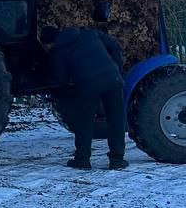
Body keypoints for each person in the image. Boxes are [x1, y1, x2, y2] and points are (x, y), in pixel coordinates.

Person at [41, 25, 128, 170]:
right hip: (113, 80)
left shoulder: (58, 51)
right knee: (116, 119)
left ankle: (82, 160)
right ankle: (117, 159)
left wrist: (65, 91)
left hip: (88, 86)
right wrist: (116, 68)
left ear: (49, 42)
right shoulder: (90, 33)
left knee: (85, 122)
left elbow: (60, 80)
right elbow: (116, 46)